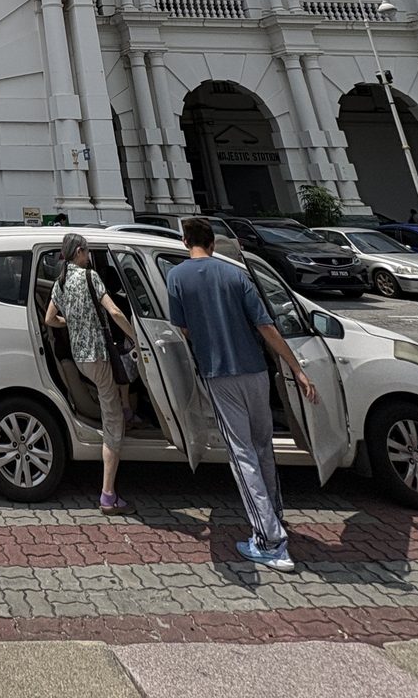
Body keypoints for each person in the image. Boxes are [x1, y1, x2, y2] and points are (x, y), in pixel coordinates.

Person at [166, 216, 319, 572]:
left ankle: (270, 540)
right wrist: (296, 367)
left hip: (219, 375)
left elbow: (183, 327)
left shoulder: (176, 277)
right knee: (263, 447)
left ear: (186, 241)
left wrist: (206, 338)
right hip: (256, 371)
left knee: (242, 454)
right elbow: (265, 324)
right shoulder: (236, 274)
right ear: (213, 243)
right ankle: (273, 516)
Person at [44, 232, 138, 513]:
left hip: (80, 356)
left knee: (114, 387)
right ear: (80, 252)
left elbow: (49, 319)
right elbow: (115, 312)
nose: (88, 256)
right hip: (98, 354)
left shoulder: (60, 282)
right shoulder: (90, 277)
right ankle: (108, 494)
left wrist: (72, 323)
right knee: (113, 423)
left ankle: (127, 411)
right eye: (86, 252)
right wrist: (137, 338)